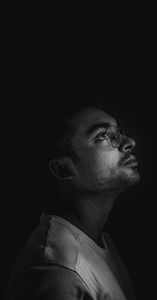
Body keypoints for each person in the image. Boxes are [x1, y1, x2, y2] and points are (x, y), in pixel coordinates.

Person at [5, 105, 140, 300]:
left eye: (119, 132)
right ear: (62, 169)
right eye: (102, 136)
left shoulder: (98, 240)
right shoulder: (57, 270)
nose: (129, 142)